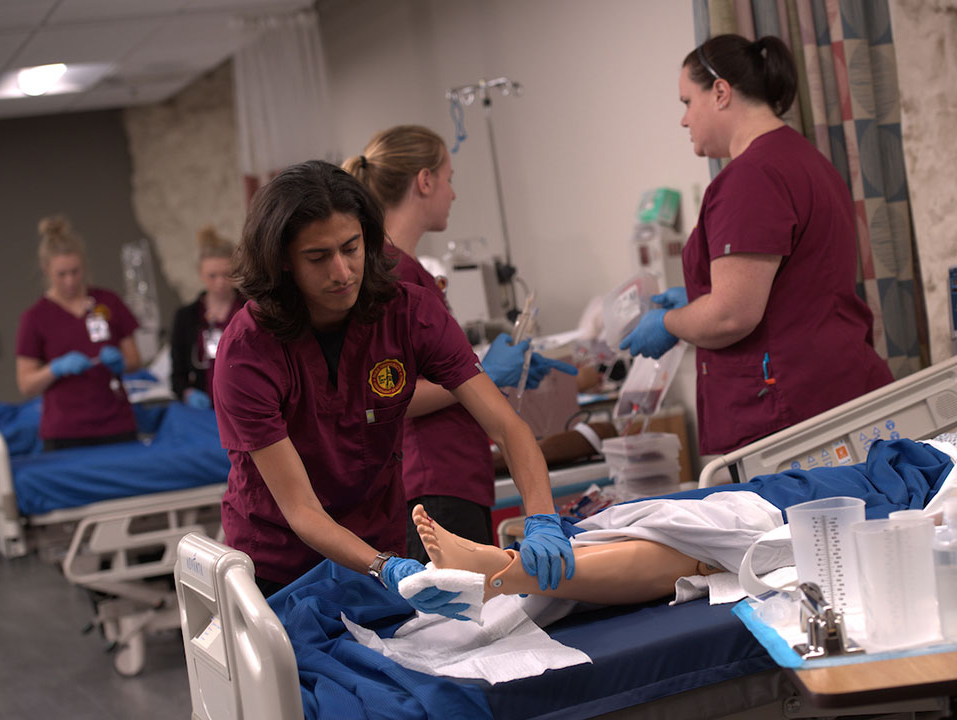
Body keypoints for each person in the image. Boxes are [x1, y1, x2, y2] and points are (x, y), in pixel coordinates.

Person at [212, 160, 575, 614]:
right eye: (318, 257)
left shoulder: (408, 313)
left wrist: (542, 517)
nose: (342, 271)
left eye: (351, 247)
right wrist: (385, 567)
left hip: (376, 538)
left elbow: (507, 428)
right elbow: (301, 509)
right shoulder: (248, 350)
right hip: (281, 565)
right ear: (282, 262)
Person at [619, 34, 893, 457]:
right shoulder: (805, 160)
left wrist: (670, 323)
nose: (684, 120)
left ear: (721, 93)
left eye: (687, 103)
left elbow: (732, 315)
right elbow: (796, 285)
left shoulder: (753, 176)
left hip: (790, 416)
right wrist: (693, 299)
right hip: (834, 393)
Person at [343, 125, 578, 561]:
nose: (452, 193)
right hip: (433, 482)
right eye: (448, 179)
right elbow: (390, 395)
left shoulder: (407, 270)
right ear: (425, 181)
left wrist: (486, 369)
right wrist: (483, 375)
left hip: (451, 476)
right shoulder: (392, 273)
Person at [413, 435, 955, 606]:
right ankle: (504, 573)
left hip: (909, 488)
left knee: (720, 538)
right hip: (895, 475)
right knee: (697, 523)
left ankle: (503, 572)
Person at [16, 215, 141, 451]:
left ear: (84, 265)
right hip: (65, 432)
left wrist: (120, 362)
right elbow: (26, 384)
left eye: (75, 271)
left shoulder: (108, 302)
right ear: (46, 271)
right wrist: (55, 368)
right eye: (61, 274)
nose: (70, 281)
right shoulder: (35, 317)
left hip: (116, 425)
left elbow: (134, 359)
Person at [170, 226, 245, 409]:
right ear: (200, 274)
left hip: (246, 403)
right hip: (205, 408)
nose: (220, 282)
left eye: (226, 274)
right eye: (212, 276)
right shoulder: (187, 317)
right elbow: (177, 375)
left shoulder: (250, 310)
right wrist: (188, 393)